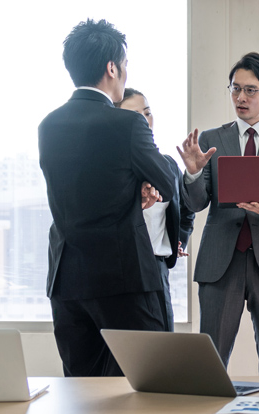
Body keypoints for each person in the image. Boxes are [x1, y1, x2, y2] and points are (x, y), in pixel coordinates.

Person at [39, 19, 180, 376]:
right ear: (112, 67)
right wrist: (144, 186)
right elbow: (166, 179)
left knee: (80, 391)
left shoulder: (48, 125)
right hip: (124, 279)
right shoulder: (126, 124)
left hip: (66, 278)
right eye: (125, 64)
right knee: (149, 383)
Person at [177, 52, 259, 375]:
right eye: (235, 89)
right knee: (210, 364)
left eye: (251, 90)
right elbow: (196, 204)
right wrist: (193, 175)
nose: (240, 97)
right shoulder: (210, 140)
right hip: (221, 262)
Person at [116, 88, 196, 331]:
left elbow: (186, 211)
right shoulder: (112, 170)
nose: (144, 120)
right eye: (134, 114)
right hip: (118, 267)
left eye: (147, 112)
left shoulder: (168, 164)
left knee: (160, 344)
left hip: (156, 267)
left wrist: (177, 241)